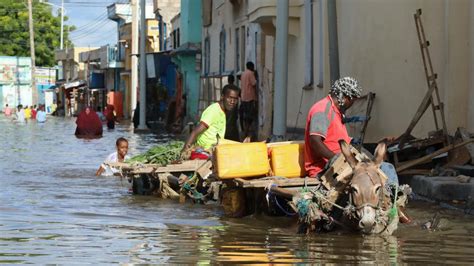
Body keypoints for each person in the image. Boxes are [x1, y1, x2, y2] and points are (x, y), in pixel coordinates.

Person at [304, 76, 362, 178]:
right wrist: (335, 159)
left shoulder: (336, 111)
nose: (351, 105)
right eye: (353, 101)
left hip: (340, 166)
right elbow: (315, 141)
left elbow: (336, 139)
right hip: (324, 169)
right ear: (346, 98)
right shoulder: (322, 110)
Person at [180, 85, 240, 159]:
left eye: (235, 99)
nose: (232, 102)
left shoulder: (223, 112)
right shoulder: (214, 110)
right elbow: (195, 132)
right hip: (204, 152)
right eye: (230, 98)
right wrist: (184, 152)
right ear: (222, 97)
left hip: (214, 150)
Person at [239, 61, 258, 141]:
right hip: (250, 98)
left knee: (246, 118)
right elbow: (254, 83)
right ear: (251, 67)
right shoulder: (250, 73)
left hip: (243, 98)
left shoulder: (243, 74)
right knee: (251, 118)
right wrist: (256, 76)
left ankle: (245, 133)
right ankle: (248, 135)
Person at [223, 74, 241, 141]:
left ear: (228, 80)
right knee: (232, 122)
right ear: (233, 80)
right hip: (233, 109)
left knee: (227, 122)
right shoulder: (236, 88)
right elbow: (242, 95)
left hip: (227, 109)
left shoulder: (226, 87)